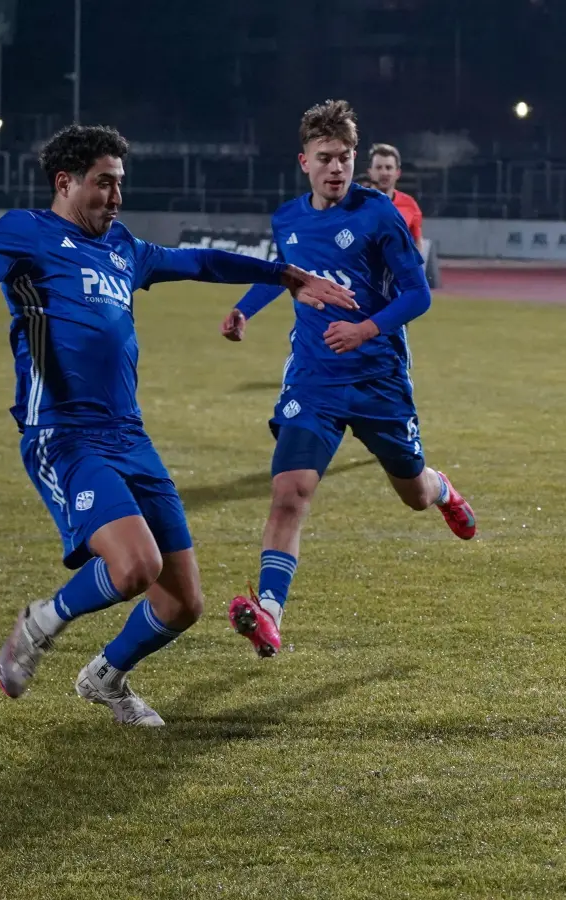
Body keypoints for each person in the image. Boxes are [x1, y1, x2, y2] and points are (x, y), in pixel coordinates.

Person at [0, 125, 354, 727]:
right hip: (63, 435)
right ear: (65, 183)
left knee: (183, 604)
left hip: (130, 437)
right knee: (134, 568)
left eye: (120, 184)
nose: (116, 197)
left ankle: (106, 678)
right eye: (104, 183)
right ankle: (39, 623)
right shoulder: (27, 233)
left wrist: (286, 276)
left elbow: (195, 261)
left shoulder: (123, 248)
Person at [222, 100, 477, 662]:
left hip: (377, 378)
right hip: (313, 378)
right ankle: (269, 613)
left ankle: (443, 488)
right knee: (289, 494)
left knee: (411, 493)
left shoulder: (379, 215)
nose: (336, 168)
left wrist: (366, 329)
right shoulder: (288, 219)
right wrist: (245, 308)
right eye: (325, 158)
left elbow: (418, 294)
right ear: (304, 161)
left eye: (344, 157)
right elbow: (287, 276)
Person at [367, 143, 422, 244]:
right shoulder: (354, 203)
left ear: (398, 173)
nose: (384, 173)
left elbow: (416, 243)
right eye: (379, 167)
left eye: (388, 167)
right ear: (370, 172)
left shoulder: (410, 205)